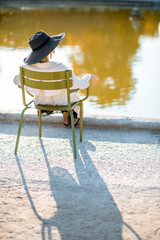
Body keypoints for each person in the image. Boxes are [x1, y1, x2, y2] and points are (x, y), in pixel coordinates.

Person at [14, 31, 98, 126]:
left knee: (56, 91)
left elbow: (16, 81)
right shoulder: (61, 68)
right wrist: (88, 76)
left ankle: (65, 116)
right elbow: (80, 85)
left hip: (42, 103)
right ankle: (70, 115)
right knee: (69, 92)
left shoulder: (26, 68)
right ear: (51, 50)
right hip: (64, 102)